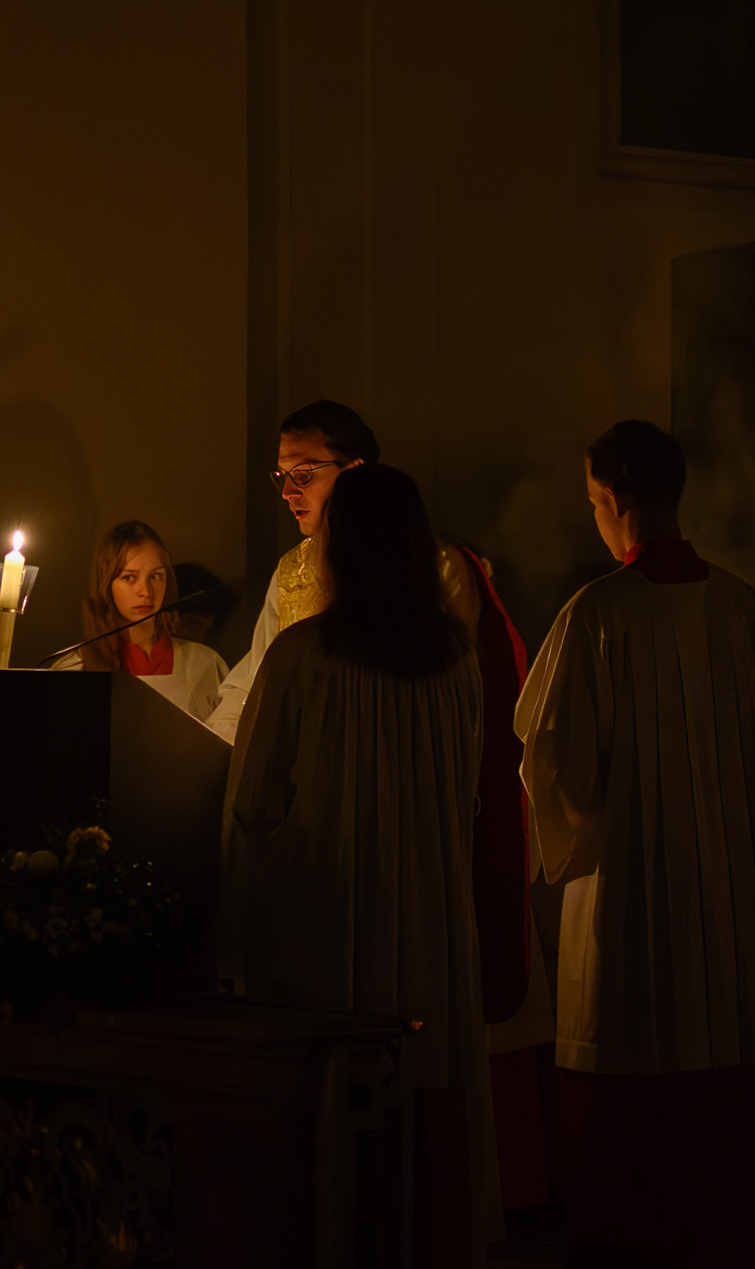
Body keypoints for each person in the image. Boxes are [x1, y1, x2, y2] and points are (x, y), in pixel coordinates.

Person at [209, 398, 550, 1206]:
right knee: (425, 1068)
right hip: (427, 899)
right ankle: (433, 1222)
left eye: (307, 474)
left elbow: (253, 803)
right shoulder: (449, 661)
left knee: (338, 1099)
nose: (291, 493)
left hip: (329, 900)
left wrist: (242, 917)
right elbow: (467, 778)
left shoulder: (305, 656)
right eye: (282, 476)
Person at [516, 420, 755, 1269]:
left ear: (615, 496)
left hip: (632, 898)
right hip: (733, 902)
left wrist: (587, 833)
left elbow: (555, 761)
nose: (595, 517)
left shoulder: (597, 614)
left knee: (631, 1071)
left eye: (593, 502)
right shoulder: (745, 608)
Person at [51, 520, 229, 722]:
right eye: (129, 578)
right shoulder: (73, 670)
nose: (146, 592)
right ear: (106, 583)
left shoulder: (205, 665)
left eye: (155, 576)